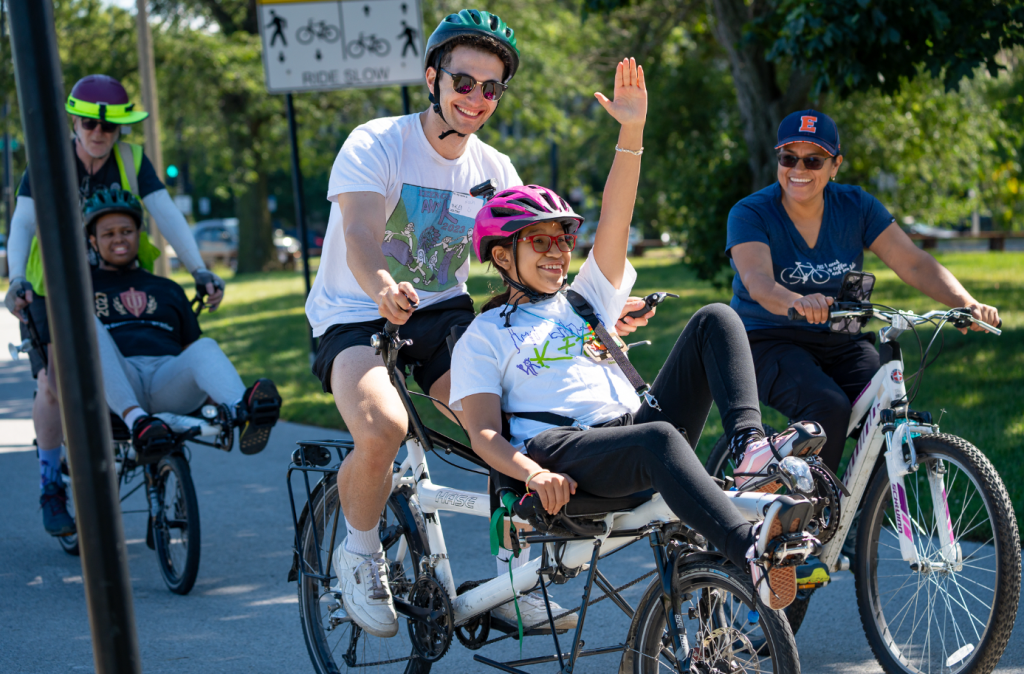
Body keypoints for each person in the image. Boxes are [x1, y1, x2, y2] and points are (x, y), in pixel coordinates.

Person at [309, 10, 654, 638]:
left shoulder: (496, 170)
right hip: (356, 311)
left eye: (491, 89)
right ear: (433, 77)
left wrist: (592, 316)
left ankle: (515, 581)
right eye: (464, 83)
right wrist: (383, 287)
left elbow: (519, 265)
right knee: (383, 427)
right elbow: (359, 233)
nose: (476, 99)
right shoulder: (376, 141)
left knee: (505, 420)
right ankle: (357, 552)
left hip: (443, 316)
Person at [450, 58, 816, 618]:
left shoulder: (583, 300)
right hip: (565, 459)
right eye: (540, 242)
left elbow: (616, 216)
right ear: (503, 257)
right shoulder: (484, 335)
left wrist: (631, 131)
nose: (557, 252)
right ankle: (749, 550)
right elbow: (482, 434)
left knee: (716, 318)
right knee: (661, 440)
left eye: (562, 239)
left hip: (630, 434)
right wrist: (534, 473)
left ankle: (748, 447)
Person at [2, 74, 226, 537]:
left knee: (133, 358)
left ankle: (142, 443)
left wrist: (199, 269)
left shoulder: (130, 158)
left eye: (108, 127)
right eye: (88, 124)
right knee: (52, 384)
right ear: (74, 121)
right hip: (53, 289)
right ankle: (51, 485)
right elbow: (23, 222)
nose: (98, 134)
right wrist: (18, 278)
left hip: (118, 278)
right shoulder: (49, 158)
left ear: (120, 128)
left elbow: (166, 215)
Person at [725, 109, 1001, 481]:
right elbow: (758, 283)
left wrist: (966, 304)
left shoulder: (855, 206)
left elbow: (914, 263)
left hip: (840, 338)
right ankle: (803, 516)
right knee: (829, 407)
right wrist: (797, 302)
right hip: (766, 340)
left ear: (835, 165)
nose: (798, 169)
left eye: (813, 159)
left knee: (886, 412)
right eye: (788, 158)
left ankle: (862, 517)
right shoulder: (751, 212)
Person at [85, 186, 281, 466]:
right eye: (108, 233)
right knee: (85, 323)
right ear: (93, 241)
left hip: (166, 379)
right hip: (118, 381)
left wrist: (214, 399)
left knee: (205, 346)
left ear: (139, 235)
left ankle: (244, 411)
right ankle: (138, 422)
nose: (119, 239)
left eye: (126, 231)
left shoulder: (167, 288)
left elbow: (192, 354)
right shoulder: (82, 288)